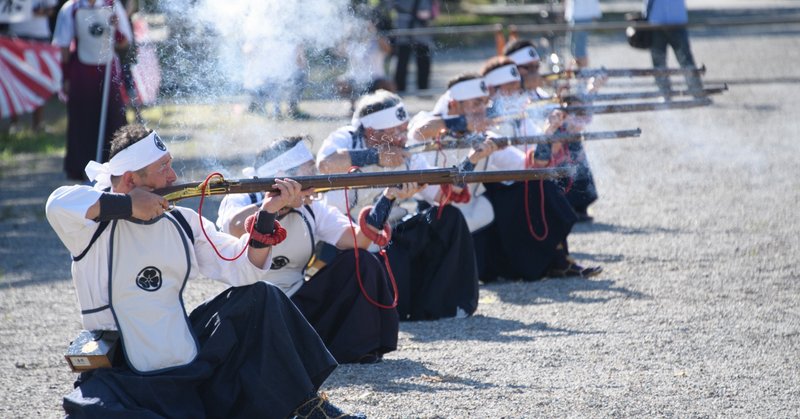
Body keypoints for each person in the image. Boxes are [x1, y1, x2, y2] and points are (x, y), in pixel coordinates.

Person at [45, 124, 362, 418]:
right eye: (163, 168)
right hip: (122, 372)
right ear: (129, 180)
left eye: (170, 165)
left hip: (187, 359)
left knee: (261, 297)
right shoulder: (90, 226)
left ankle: (306, 405)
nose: (173, 177)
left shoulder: (182, 220)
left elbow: (242, 270)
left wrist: (268, 215)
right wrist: (127, 206)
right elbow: (57, 203)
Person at [216, 136, 399, 364]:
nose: (318, 176)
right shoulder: (242, 197)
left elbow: (359, 242)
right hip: (254, 308)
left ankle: (355, 347)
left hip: (297, 305)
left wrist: (388, 197)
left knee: (363, 262)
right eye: (310, 169)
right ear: (286, 177)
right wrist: (275, 206)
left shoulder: (313, 206)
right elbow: (234, 227)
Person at [317, 90, 493, 320]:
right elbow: (326, 164)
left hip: (391, 228)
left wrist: (471, 161)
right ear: (373, 132)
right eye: (397, 130)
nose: (404, 136)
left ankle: (444, 305)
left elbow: (442, 195)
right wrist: (376, 157)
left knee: (449, 218)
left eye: (404, 128)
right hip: (349, 233)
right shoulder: (346, 137)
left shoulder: (406, 151)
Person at [480, 56, 602, 281]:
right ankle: (556, 261)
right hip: (499, 190)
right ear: (492, 91)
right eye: (509, 89)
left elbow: (543, 156)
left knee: (546, 182)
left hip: (521, 181)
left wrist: (558, 128)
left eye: (517, 88)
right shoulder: (487, 124)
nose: (516, 94)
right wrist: (548, 133)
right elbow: (530, 163)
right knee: (544, 185)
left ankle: (558, 260)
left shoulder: (519, 117)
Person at [52, 0, 132, 181]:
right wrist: (65, 77)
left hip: (108, 70)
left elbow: (123, 43)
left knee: (114, 119)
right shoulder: (71, 9)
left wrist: (116, 26)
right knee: (83, 120)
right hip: (81, 70)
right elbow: (63, 46)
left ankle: (118, 168)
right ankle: (83, 168)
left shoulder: (112, 5)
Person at [6, 0, 58, 133]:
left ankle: (38, 123)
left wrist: (29, 12)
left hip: (40, 37)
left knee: (41, 79)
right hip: (16, 37)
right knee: (14, 80)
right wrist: (34, 12)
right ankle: (15, 124)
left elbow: (50, 10)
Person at [336, 6, 396, 113]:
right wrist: (347, 33)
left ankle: (384, 107)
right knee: (341, 82)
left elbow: (388, 50)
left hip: (375, 78)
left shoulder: (377, 40)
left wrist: (375, 32)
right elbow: (339, 52)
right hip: (355, 78)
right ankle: (353, 106)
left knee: (388, 84)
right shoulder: (353, 42)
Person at [645, 0, 703, 99]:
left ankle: (665, 93)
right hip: (673, 18)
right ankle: (696, 92)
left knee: (661, 61)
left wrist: (645, 14)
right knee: (683, 59)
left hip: (660, 19)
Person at [392, 0, 437, 93]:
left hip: (418, 32)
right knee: (403, 62)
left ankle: (421, 89)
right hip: (408, 31)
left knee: (421, 62)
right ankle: (403, 89)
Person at [564, 0, 601, 69]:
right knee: (573, 48)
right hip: (575, 15)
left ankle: (584, 73)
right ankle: (581, 72)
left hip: (582, 15)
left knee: (579, 49)